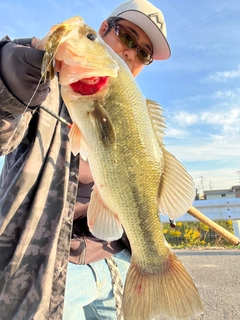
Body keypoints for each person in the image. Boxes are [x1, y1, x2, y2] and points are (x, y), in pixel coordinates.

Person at [0, 0, 171, 319]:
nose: (133, 53)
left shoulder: (135, 117)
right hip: (51, 272)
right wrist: (5, 79)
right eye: (129, 38)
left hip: (117, 260)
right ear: (104, 29)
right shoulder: (39, 87)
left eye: (144, 53)